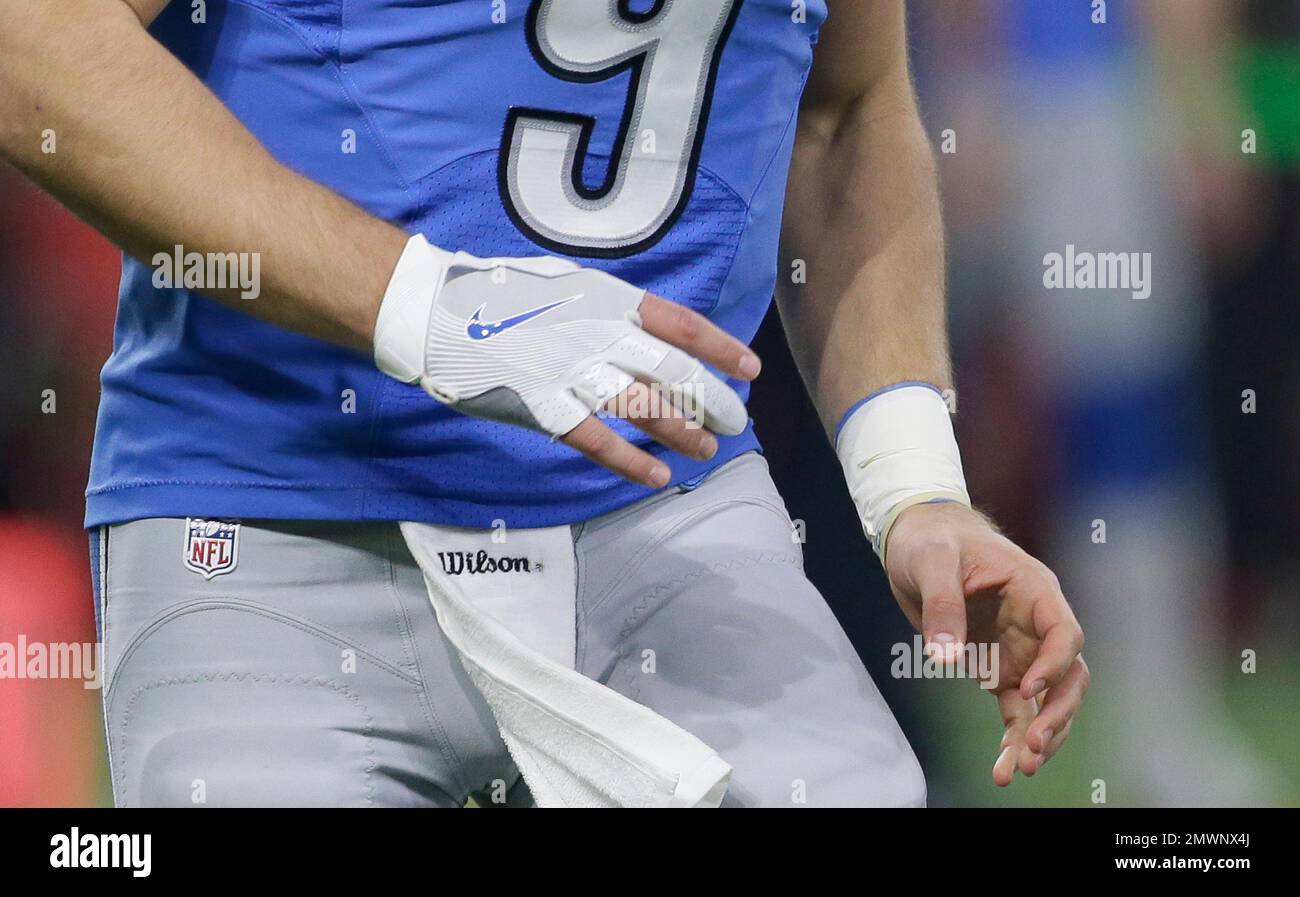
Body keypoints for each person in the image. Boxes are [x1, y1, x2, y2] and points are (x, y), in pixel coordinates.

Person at [0, 0, 1087, 807]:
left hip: (662, 514)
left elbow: (840, 111)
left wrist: (913, 484)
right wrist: (430, 304)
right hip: (269, 517)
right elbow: (30, 40)